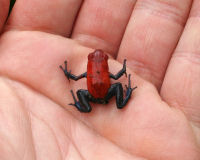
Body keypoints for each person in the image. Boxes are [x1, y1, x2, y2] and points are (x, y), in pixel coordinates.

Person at [0, 0, 199, 159]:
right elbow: (119, 76)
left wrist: (68, 76)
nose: (98, 58)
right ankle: (125, 96)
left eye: (100, 59)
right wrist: (124, 76)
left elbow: (75, 77)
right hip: (107, 93)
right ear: (100, 63)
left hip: (93, 96)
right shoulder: (103, 72)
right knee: (119, 88)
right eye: (98, 59)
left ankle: (81, 104)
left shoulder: (87, 73)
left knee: (80, 91)